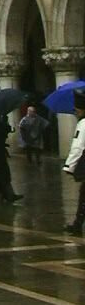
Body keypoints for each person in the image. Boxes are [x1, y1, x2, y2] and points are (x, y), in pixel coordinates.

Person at [63, 88, 85, 234]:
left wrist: (68, 166)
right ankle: (78, 223)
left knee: (83, 195)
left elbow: (78, 146)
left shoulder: (83, 124)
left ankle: (77, 224)